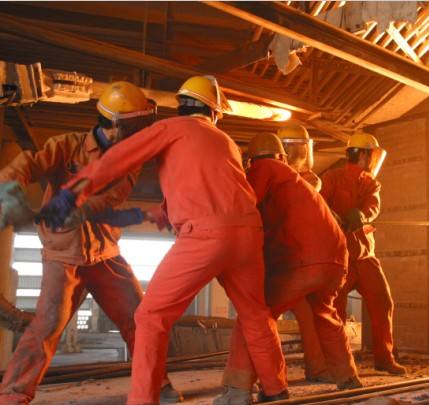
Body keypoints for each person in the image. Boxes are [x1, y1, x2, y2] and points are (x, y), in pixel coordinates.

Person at [39, 76, 287, 405]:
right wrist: (166, 211)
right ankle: (276, 389)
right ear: (213, 112)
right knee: (255, 314)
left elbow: (117, 159)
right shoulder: (226, 141)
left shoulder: (171, 128)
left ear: (181, 106)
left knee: (150, 317)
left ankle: (144, 399)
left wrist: (70, 194)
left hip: (205, 236)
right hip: (247, 235)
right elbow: (210, 187)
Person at [0, 82, 182, 404]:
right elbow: (29, 163)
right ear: (115, 126)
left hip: (104, 254)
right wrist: (7, 188)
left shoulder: (130, 158)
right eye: (136, 126)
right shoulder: (66, 145)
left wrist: (79, 208)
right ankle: (13, 395)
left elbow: (112, 198)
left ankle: (158, 385)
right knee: (47, 327)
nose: (141, 133)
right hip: (63, 255)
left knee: (139, 320)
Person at [216, 133, 361, 404]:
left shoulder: (263, 169)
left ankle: (238, 389)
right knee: (325, 314)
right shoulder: (299, 182)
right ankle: (347, 377)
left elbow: (245, 206)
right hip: (335, 261)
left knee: (254, 317)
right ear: (283, 156)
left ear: (251, 160)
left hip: (304, 261)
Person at [321, 131, 407, 375]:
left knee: (383, 303)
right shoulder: (331, 178)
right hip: (340, 255)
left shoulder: (370, 182)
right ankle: (337, 363)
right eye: (371, 155)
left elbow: (373, 206)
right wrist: (335, 217)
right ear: (365, 155)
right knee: (335, 310)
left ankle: (384, 358)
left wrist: (362, 215)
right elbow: (319, 206)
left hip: (365, 255)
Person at [276, 124, 330, 382]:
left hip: (294, 259)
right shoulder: (277, 177)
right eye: (292, 149)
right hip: (283, 258)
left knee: (306, 315)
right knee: (262, 319)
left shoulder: (309, 180)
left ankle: (262, 377)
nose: (297, 155)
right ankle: (266, 376)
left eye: (299, 149)